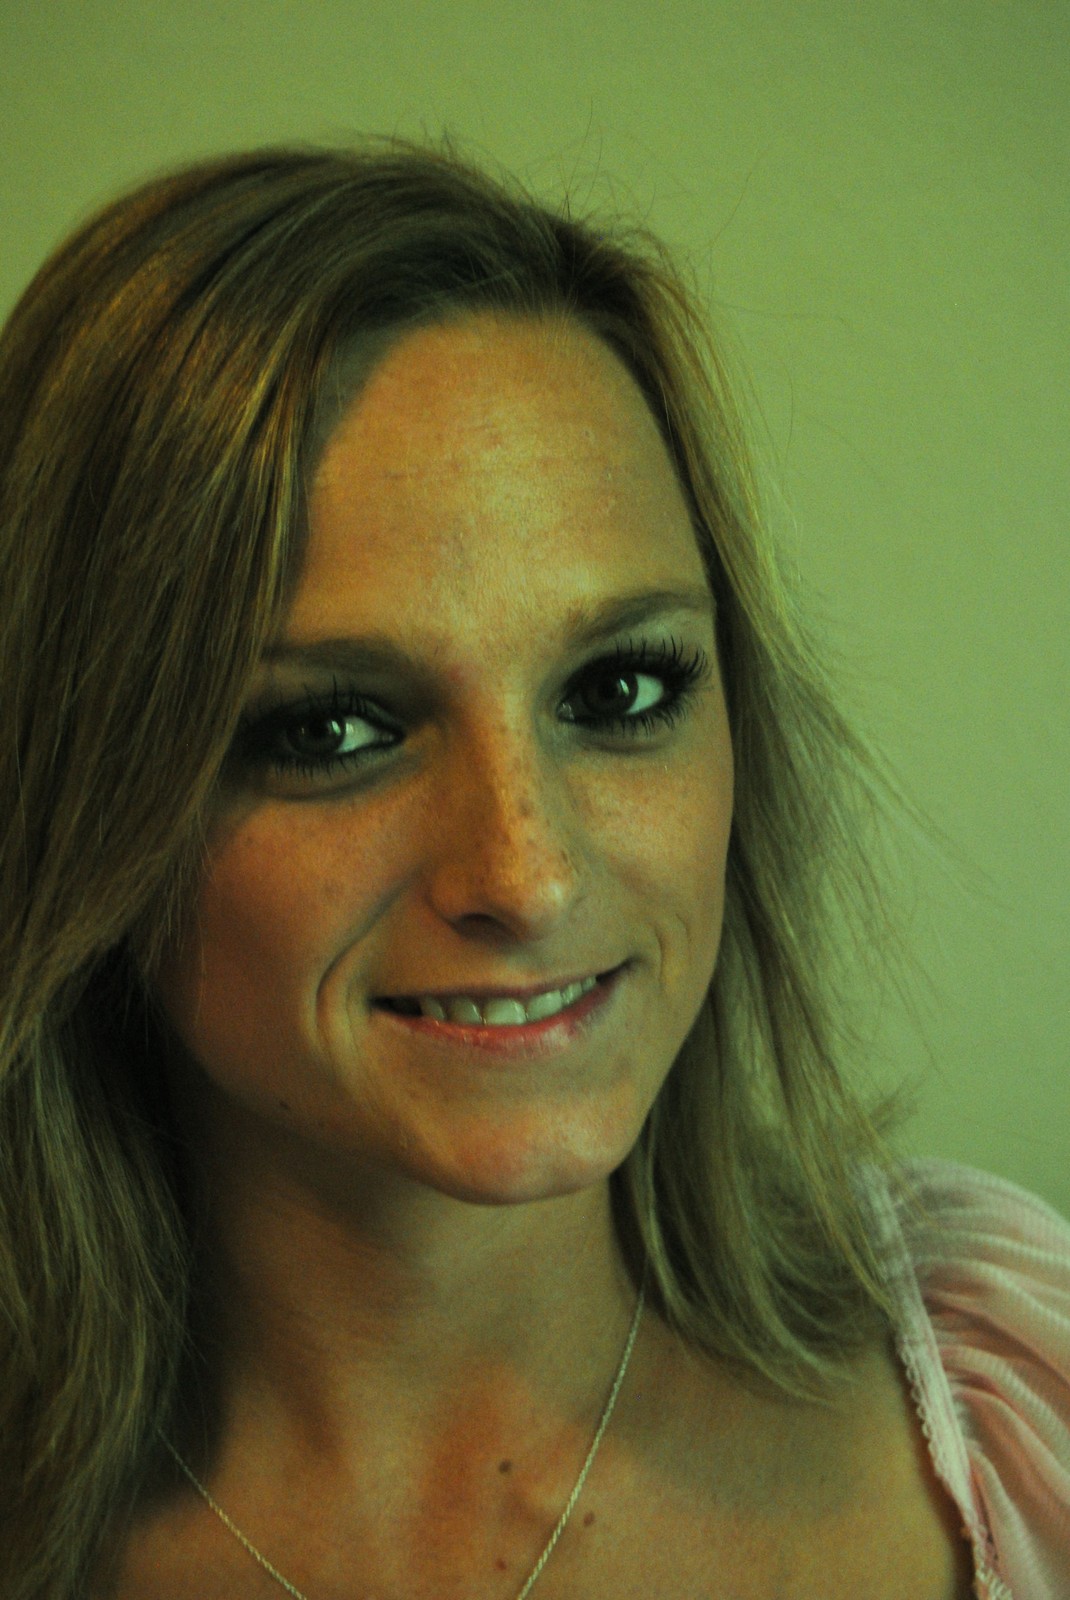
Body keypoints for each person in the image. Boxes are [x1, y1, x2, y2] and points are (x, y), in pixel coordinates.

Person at [0, 141, 1066, 1600]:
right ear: (76, 796)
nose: (529, 874)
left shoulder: (1015, 1398)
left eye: (618, 691)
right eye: (332, 728)